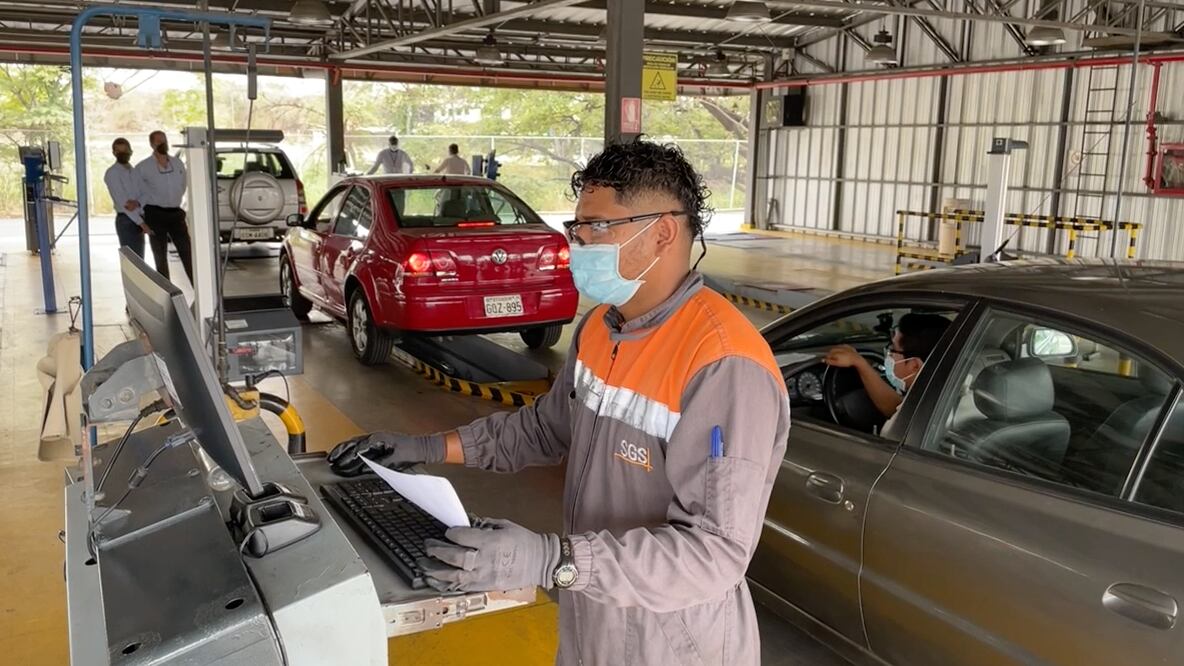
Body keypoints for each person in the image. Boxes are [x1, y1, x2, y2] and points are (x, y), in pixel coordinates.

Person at [328, 140, 790, 665]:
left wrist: (552, 559)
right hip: (592, 615)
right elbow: (546, 429)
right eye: (578, 227)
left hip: (673, 641)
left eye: (598, 227)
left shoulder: (722, 365)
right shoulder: (601, 328)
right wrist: (429, 447)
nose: (580, 243)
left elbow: (713, 555)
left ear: (662, 231)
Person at [824, 312, 950, 430]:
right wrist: (860, 363)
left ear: (915, 366)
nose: (888, 355)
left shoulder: (904, 429)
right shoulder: (945, 396)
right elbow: (898, 409)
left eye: (892, 349)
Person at [135, 130, 193, 284]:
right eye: (159, 141)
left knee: (187, 253)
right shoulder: (143, 167)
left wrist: (174, 199)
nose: (163, 144)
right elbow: (138, 191)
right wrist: (141, 216)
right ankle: (168, 296)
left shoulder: (177, 163)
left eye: (164, 140)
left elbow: (183, 185)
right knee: (160, 257)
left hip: (175, 213)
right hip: (155, 214)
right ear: (152, 144)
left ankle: (200, 292)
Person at [103, 137, 149, 258]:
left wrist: (137, 203)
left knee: (140, 260)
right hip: (127, 221)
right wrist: (141, 223)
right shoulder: (112, 173)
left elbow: (145, 193)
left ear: (131, 152)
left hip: (139, 217)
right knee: (132, 262)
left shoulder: (134, 171)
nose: (123, 154)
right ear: (114, 153)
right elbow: (123, 203)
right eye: (119, 151)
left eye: (125, 151)